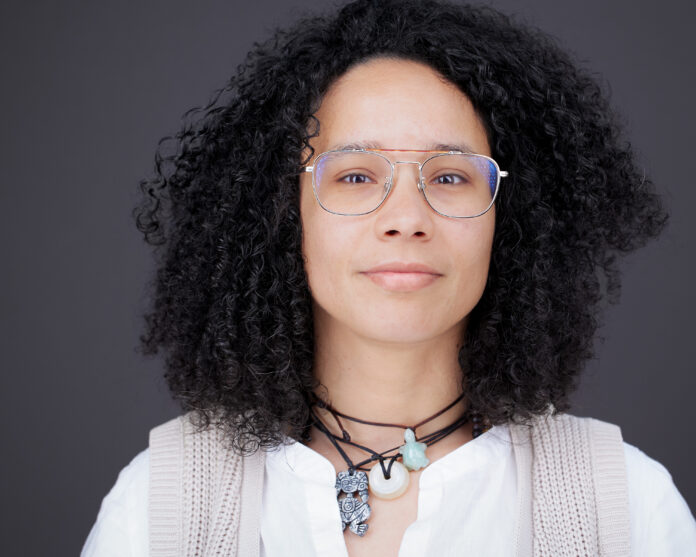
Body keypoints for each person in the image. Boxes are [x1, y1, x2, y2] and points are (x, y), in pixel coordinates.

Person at [81, 0, 696, 555]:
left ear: (512, 220)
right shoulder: (157, 508)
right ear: (279, 214)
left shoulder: (627, 505)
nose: (406, 219)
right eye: (355, 176)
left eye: (451, 176)